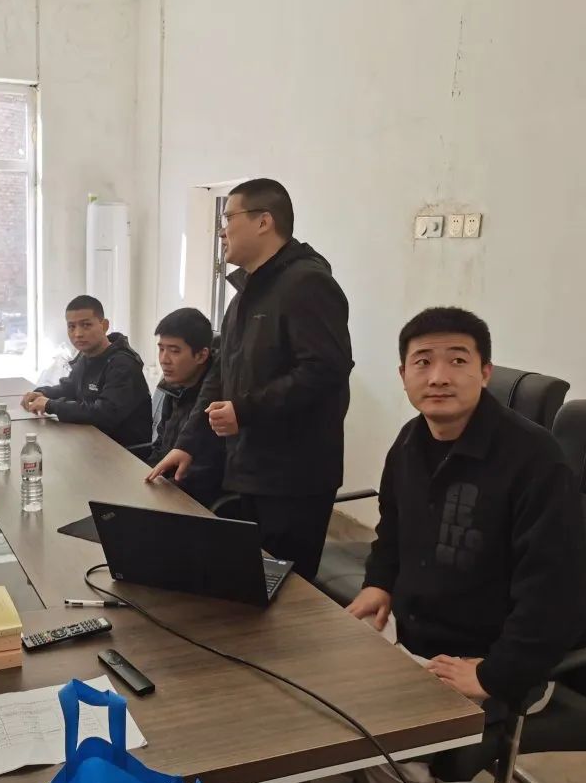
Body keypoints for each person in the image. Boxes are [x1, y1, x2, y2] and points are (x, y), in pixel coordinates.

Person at [346, 307, 586, 783]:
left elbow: (556, 593)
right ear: (403, 374)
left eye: (457, 360)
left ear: (485, 372)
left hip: (492, 658)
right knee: (316, 690)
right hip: (415, 635)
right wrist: (379, 583)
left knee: (373, 733)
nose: (438, 376)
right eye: (423, 362)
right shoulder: (411, 441)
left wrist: (494, 674)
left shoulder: (534, 459)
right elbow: (393, 529)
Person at [148, 178, 353, 580]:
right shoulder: (244, 295)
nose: (221, 231)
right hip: (248, 469)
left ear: (263, 222)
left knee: (285, 592)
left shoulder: (307, 284)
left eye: (229, 218)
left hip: (293, 477)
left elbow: (325, 370)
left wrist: (245, 410)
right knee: (247, 585)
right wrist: (188, 444)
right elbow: (220, 376)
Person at [21, 295, 151, 447]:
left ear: (104, 325)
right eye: (71, 327)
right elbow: (69, 388)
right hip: (89, 441)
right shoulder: (86, 355)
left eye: (86, 325)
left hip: (123, 451)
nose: (78, 334)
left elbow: (104, 414)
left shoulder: (122, 364)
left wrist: (51, 405)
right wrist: (43, 393)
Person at [148, 308, 224, 506]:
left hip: (192, 501)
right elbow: (160, 446)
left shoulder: (215, 403)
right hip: (163, 490)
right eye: (161, 349)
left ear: (201, 355)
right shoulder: (173, 388)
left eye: (174, 351)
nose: (164, 359)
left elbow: (206, 473)